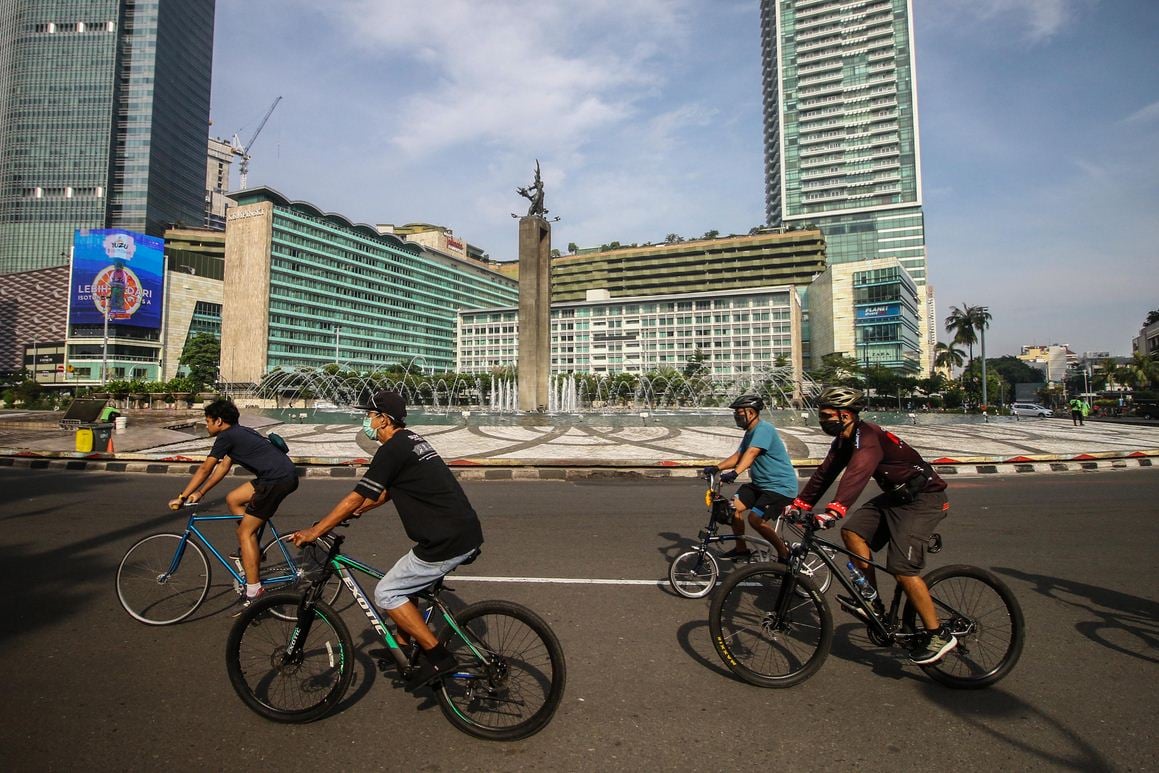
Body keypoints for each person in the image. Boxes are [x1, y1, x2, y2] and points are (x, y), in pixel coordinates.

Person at [290, 391, 484, 691]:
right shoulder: (412, 441)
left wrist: (315, 531)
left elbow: (357, 494)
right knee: (407, 582)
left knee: (387, 593)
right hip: (460, 530)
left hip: (445, 540)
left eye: (369, 415)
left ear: (383, 419)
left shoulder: (392, 449)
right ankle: (405, 648)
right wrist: (349, 515)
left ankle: (438, 657)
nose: (366, 421)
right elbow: (383, 493)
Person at [788, 386, 956, 665]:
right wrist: (800, 504)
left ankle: (938, 634)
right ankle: (872, 600)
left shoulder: (867, 437)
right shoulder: (844, 440)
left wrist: (834, 509)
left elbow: (857, 473)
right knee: (853, 532)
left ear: (845, 415)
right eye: (821, 414)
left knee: (901, 568)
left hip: (924, 499)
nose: (822, 420)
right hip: (897, 497)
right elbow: (825, 473)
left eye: (827, 415)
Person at [169, 398, 298, 611]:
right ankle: (252, 547)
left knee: (244, 533)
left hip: (275, 481)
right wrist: (200, 492)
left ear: (219, 421)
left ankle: (254, 592)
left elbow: (205, 469)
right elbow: (222, 468)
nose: (206, 425)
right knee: (233, 499)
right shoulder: (240, 432)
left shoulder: (226, 436)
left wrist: (182, 496)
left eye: (207, 421)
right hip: (280, 476)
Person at [702, 395, 797, 563]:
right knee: (732, 508)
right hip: (759, 486)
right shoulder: (750, 432)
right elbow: (740, 455)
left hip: (779, 487)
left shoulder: (764, 429)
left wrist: (735, 473)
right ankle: (741, 550)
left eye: (739, 413)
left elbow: (752, 453)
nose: (736, 417)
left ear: (751, 413)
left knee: (755, 519)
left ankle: (784, 553)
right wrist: (717, 467)